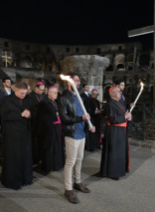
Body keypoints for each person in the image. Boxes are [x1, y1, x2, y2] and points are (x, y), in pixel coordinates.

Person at [58, 73, 95, 204]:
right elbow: (64, 119)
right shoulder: (64, 98)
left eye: (79, 81)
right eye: (76, 81)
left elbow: (83, 113)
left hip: (81, 133)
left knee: (79, 159)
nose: (78, 83)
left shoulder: (79, 97)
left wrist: (89, 124)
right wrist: (81, 119)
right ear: (70, 82)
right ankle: (68, 189)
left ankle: (77, 182)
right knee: (70, 162)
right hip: (72, 134)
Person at [0, 81, 33, 190]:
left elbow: (32, 112)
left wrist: (29, 115)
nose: (24, 95)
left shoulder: (27, 100)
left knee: (25, 157)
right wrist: (20, 114)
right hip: (12, 135)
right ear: (16, 90)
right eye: (22, 93)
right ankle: (13, 182)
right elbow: (4, 116)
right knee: (13, 159)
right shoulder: (6, 100)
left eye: (25, 93)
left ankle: (26, 179)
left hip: (25, 134)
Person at [100, 87, 132, 181]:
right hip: (114, 132)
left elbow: (122, 116)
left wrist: (128, 117)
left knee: (119, 152)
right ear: (112, 93)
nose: (120, 92)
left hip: (120, 131)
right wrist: (125, 116)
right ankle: (113, 173)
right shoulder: (110, 104)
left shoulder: (118, 103)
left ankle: (118, 171)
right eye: (118, 91)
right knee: (114, 153)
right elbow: (112, 119)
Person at [35, 86, 64, 173]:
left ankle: (56, 165)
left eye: (57, 93)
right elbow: (42, 117)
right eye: (55, 93)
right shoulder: (44, 103)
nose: (56, 95)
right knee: (49, 149)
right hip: (49, 129)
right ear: (49, 93)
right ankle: (48, 166)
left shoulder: (55, 102)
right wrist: (56, 115)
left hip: (56, 128)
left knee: (57, 147)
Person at [28, 81, 46, 164]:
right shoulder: (30, 97)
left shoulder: (44, 96)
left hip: (42, 123)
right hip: (34, 123)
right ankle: (34, 158)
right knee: (34, 142)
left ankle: (41, 156)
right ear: (36, 88)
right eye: (41, 90)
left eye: (43, 90)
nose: (42, 92)